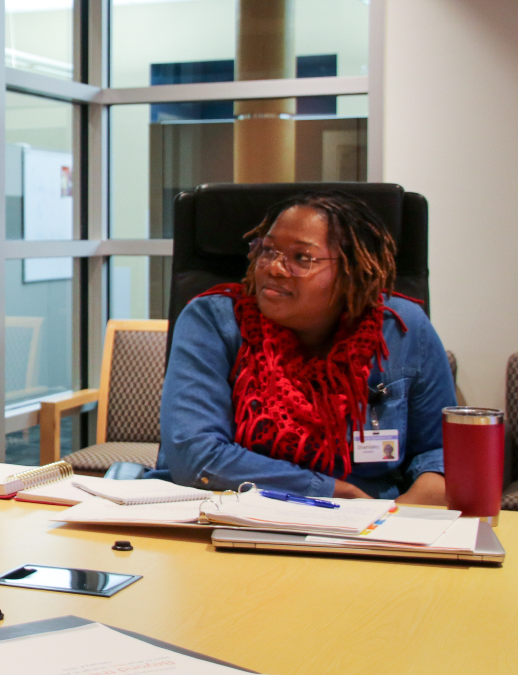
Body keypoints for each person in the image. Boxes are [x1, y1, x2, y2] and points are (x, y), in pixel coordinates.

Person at [159, 191, 453, 504]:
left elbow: (440, 447)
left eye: (301, 258)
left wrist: (419, 498)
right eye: (267, 250)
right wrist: (332, 494)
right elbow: (196, 457)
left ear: (352, 271)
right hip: (228, 513)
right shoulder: (213, 322)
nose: (273, 268)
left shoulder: (401, 328)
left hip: (374, 521)